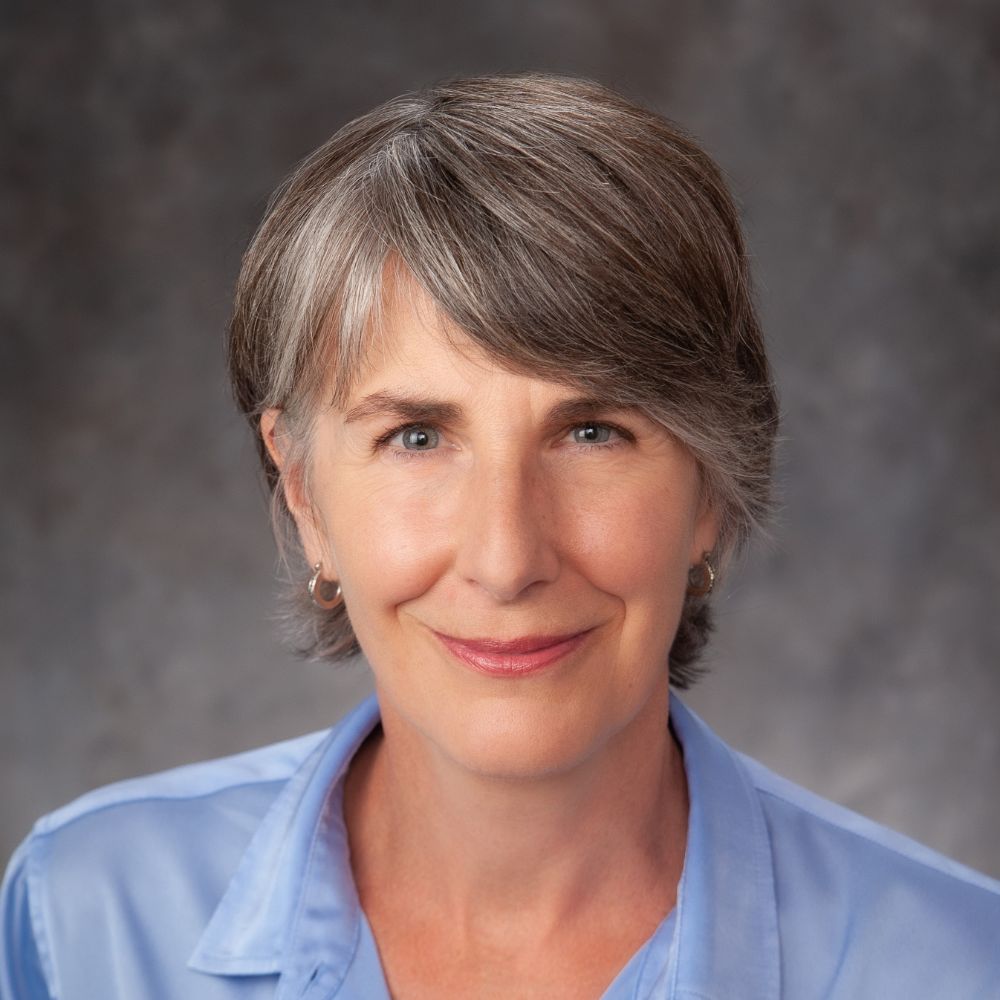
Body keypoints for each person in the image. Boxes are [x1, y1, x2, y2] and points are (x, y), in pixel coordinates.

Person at [2, 72, 998, 1000]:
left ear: (708, 488)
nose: (507, 556)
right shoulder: (90, 916)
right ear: (304, 491)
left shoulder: (952, 965)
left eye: (592, 431)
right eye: (418, 436)